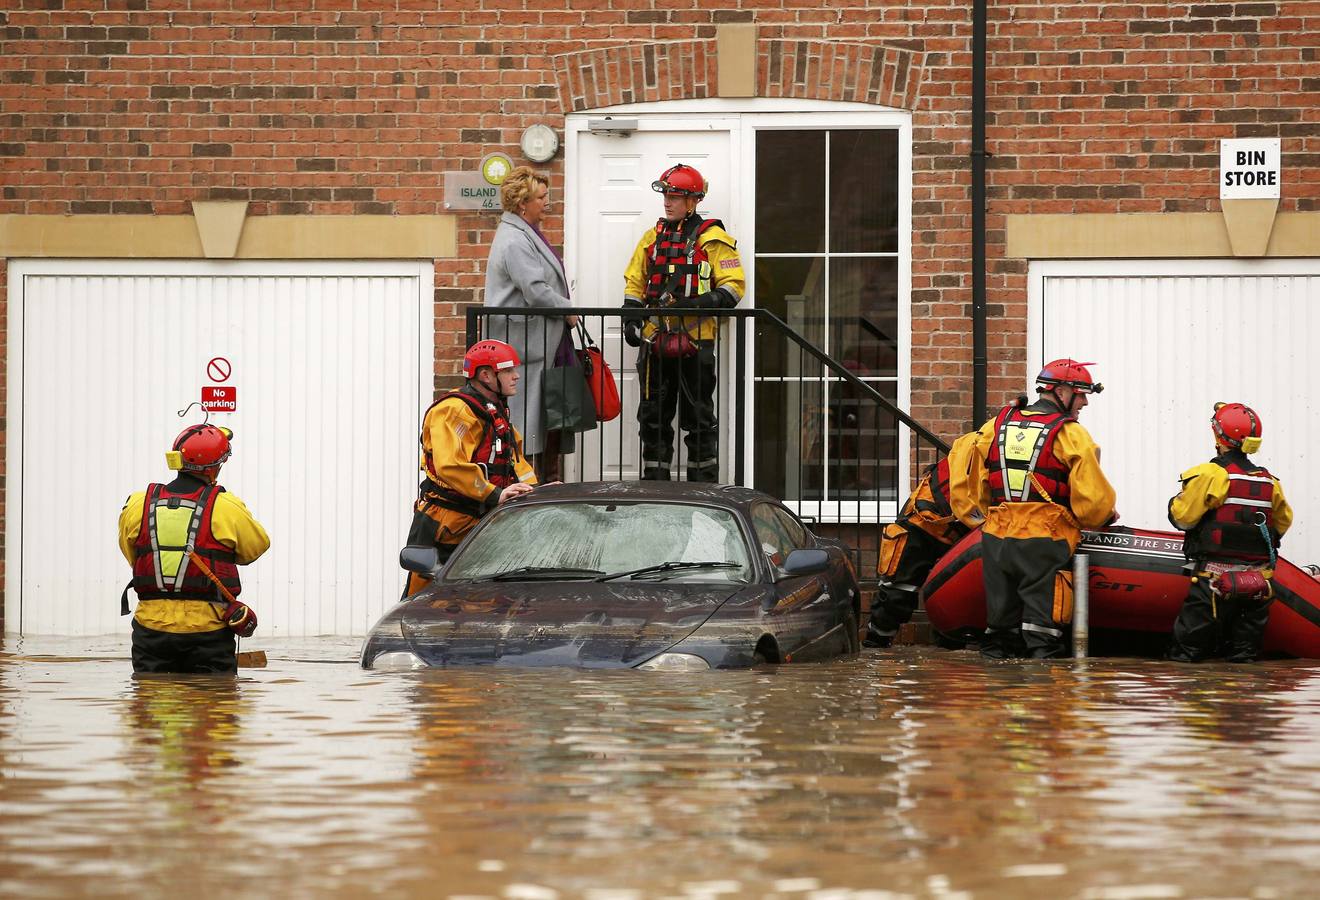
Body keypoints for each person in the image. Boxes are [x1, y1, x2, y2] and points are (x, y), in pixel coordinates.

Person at [967, 359, 1117, 659]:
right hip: (1043, 539)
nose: (1085, 402)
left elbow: (972, 478)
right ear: (1061, 391)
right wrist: (1104, 515)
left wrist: (980, 517)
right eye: (1081, 394)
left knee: (999, 634)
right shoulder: (1070, 434)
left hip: (996, 538)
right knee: (1042, 634)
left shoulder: (995, 425)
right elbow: (1092, 500)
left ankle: (995, 697)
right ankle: (1042, 700)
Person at [621, 163, 744, 483]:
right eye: (666, 195)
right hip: (654, 340)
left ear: (693, 201)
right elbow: (635, 280)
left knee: (699, 416)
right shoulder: (652, 238)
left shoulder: (714, 239)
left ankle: (702, 487)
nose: (668, 202)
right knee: (652, 416)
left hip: (696, 340)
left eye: (675, 196)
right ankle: (655, 484)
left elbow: (733, 287)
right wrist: (631, 315)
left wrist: (696, 305)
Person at [118, 423, 271, 674]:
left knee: (148, 706)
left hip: (150, 631)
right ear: (214, 467)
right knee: (213, 706)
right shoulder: (225, 506)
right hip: (207, 632)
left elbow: (132, 554)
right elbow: (256, 547)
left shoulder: (138, 504)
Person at [404, 339, 538, 595]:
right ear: (486, 375)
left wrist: (536, 491)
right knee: (427, 600)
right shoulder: (454, 411)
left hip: (479, 520)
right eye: (508, 370)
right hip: (447, 524)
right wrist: (495, 494)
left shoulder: (494, 410)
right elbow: (450, 465)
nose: (516, 376)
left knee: (484, 599)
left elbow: (514, 460)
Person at [1166, 402, 1292, 663]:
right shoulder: (1270, 482)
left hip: (1212, 580)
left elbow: (1183, 518)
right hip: (1257, 583)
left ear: (1218, 435)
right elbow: (1281, 524)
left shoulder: (1211, 474)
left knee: (1186, 654)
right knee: (1245, 656)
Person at [484, 166, 579, 483]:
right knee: (529, 429)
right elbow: (536, 291)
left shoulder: (524, 234)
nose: (547, 202)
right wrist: (568, 309)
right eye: (541, 197)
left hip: (536, 346)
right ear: (522, 204)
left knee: (545, 427)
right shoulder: (514, 240)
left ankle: (547, 488)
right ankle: (530, 492)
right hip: (524, 347)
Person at [865, 430, 985, 648]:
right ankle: (876, 650)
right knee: (896, 595)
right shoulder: (987, 443)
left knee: (954, 598)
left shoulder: (991, 440)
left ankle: (947, 650)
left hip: (956, 528)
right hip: (923, 522)